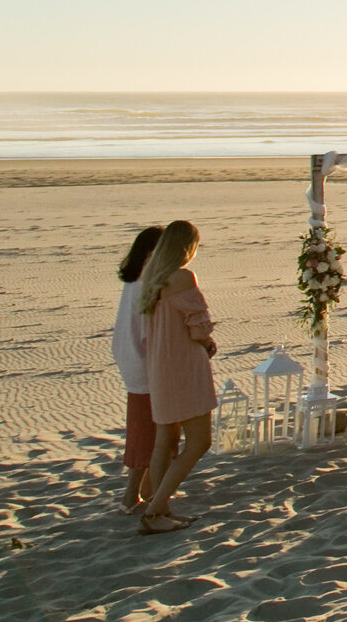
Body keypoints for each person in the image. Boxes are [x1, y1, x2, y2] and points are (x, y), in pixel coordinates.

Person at [138, 220, 217, 534]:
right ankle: (155, 510)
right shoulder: (183, 276)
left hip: (160, 366)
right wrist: (209, 344)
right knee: (199, 441)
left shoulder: (151, 278)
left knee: (165, 440)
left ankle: (160, 508)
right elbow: (198, 326)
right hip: (184, 365)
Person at [111, 225, 164, 514]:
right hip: (143, 362)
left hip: (132, 359)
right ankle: (132, 495)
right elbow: (148, 328)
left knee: (145, 427)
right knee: (148, 431)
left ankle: (145, 490)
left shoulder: (135, 281)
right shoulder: (146, 282)